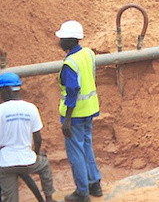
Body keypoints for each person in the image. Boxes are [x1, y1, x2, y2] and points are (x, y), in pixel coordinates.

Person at [56, 21, 102, 202]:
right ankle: (95, 184)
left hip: (74, 116)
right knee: (86, 147)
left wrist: (67, 119)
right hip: (89, 111)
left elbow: (72, 91)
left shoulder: (70, 64)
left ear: (70, 40)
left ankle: (82, 192)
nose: (59, 42)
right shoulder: (88, 54)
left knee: (76, 153)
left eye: (61, 39)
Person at [0, 73, 57, 202]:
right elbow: (37, 138)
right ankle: (49, 198)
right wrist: (35, 154)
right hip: (28, 161)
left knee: (9, 198)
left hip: (5, 164)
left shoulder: (0, 110)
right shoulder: (31, 108)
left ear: (6, 90)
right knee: (44, 165)